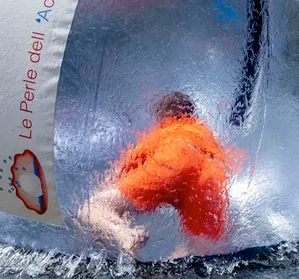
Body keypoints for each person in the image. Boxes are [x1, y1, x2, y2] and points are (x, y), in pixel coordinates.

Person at [79, 92, 237, 259]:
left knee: (92, 209)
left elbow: (120, 173)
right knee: (203, 251)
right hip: (211, 176)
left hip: (174, 160)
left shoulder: (165, 130)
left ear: (164, 115)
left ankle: (127, 236)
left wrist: (113, 204)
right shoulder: (206, 136)